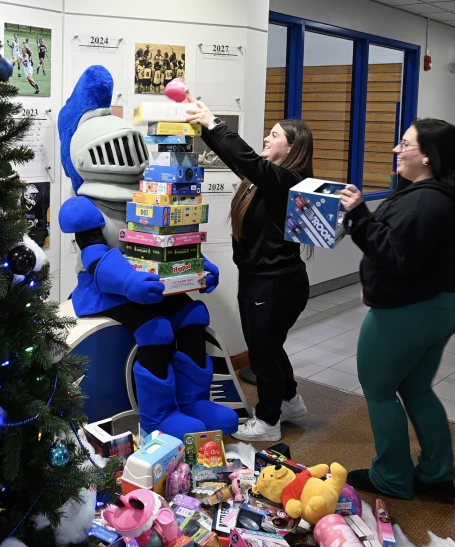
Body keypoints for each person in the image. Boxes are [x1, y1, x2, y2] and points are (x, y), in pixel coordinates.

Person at [185, 96, 314, 443]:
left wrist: (214, 121)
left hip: (274, 286)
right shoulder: (266, 181)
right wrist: (204, 127)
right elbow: (239, 161)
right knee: (271, 347)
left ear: (292, 148)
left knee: (262, 352)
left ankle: (268, 420)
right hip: (263, 281)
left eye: (274, 135)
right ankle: (290, 401)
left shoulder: (288, 181)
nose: (267, 139)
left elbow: (247, 161)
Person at [339, 118, 455, 503]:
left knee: (378, 390)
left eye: (405, 144)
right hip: (438, 306)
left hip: (408, 311)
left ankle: (391, 476)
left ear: (427, 156)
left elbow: (394, 254)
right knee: (418, 388)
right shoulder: (436, 194)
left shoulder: (425, 201)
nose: (396, 150)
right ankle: (438, 474)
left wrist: (357, 213)